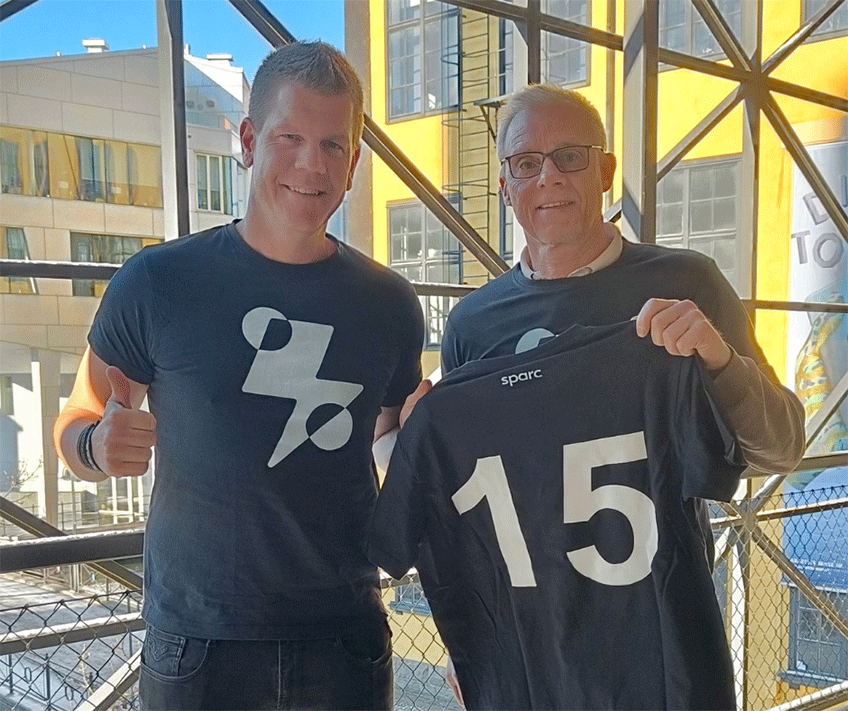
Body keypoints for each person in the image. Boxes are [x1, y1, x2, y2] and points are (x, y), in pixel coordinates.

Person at [393, 83, 805, 708]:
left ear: (606, 171)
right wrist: (469, 640)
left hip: (663, 654)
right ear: (504, 184)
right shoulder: (474, 325)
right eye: (525, 163)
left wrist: (720, 363)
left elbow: (782, 448)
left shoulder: (685, 283)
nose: (548, 177)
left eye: (571, 157)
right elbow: (470, 519)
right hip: (533, 660)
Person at [53, 41, 424, 711]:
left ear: (354, 163)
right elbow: (75, 420)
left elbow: (386, 438)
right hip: (198, 644)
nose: (312, 164)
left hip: (343, 638)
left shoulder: (390, 304)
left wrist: (427, 442)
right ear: (249, 141)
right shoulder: (157, 283)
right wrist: (96, 447)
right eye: (290, 138)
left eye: (333, 145)